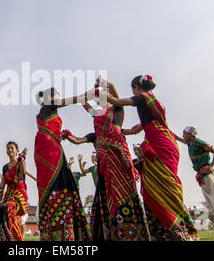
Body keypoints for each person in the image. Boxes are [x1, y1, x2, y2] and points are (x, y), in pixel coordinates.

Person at [105, 74, 199, 241]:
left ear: (136, 87)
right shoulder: (155, 103)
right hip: (166, 142)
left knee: (158, 186)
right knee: (163, 184)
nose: (132, 92)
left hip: (159, 145)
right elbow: (137, 128)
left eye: (132, 89)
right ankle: (166, 231)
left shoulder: (143, 97)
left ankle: (178, 230)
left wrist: (102, 90)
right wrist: (122, 131)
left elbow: (117, 103)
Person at [77, 78, 149, 241]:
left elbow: (115, 95)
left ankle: (131, 232)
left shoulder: (117, 109)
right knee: (107, 190)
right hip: (104, 156)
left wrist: (106, 84)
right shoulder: (97, 113)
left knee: (124, 188)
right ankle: (111, 233)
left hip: (117, 153)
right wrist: (89, 93)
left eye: (105, 95)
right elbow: (83, 101)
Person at [34, 88, 91, 241]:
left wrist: (61, 134)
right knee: (56, 181)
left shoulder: (46, 110)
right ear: (50, 97)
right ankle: (59, 229)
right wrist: (91, 93)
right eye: (56, 96)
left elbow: (51, 128)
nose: (58, 98)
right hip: (49, 149)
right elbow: (73, 100)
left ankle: (61, 229)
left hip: (50, 147)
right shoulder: (48, 105)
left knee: (58, 181)